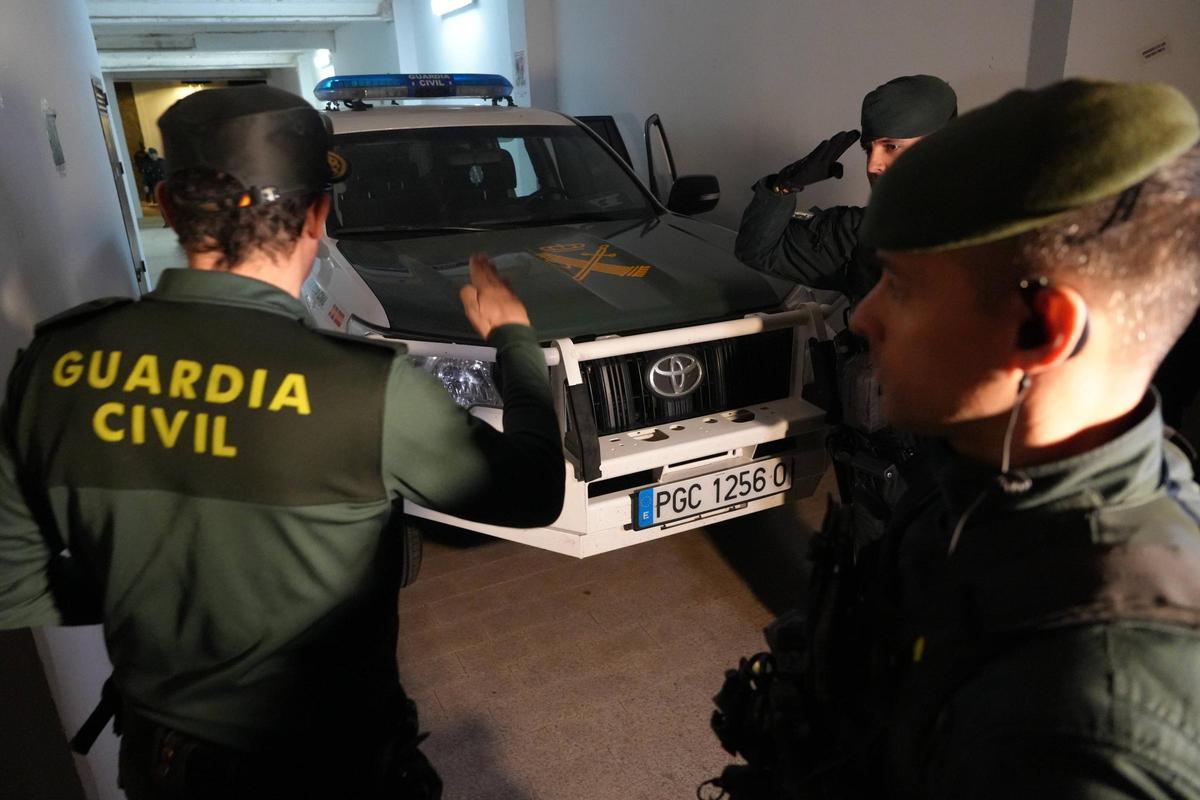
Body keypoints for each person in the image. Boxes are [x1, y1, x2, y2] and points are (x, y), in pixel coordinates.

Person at [0, 85, 564, 799]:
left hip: (163, 766)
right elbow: (534, 491)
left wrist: (151, 589)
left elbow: (11, 583)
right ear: (319, 215)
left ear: (167, 208)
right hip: (336, 766)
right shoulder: (368, 389)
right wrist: (515, 341)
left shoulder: (52, 365)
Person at [709, 78, 1200, 799]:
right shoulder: (969, 488)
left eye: (902, 289)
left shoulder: (1101, 713)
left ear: (1043, 331)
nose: (862, 320)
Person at [734, 74, 957, 301]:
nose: (873, 165)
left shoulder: (987, 237)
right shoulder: (857, 234)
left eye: (891, 146)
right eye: (868, 150)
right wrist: (783, 187)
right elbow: (758, 252)